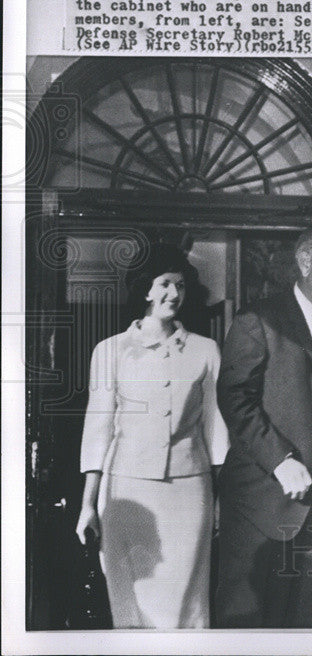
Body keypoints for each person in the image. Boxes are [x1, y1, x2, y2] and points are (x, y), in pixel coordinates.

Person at [214, 223, 312, 628]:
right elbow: (234, 397)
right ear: (305, 260)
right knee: (246, 627)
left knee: (307, 628)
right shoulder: (258, 319)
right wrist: (280, 460)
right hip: (260, 504)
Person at [76, 244, 227, 628]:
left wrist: (221, 500)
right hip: (127, 493)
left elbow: (216, 429)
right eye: (164, 284)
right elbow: (98, 428)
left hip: (190, 491)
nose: (173, 294)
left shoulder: (206, 351)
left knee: (185, 603)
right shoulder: (109, 351)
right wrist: (88, 505)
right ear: (145, 289)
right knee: (133, 600)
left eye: (180, 285)